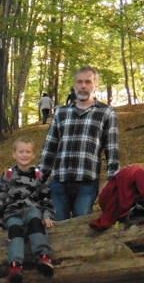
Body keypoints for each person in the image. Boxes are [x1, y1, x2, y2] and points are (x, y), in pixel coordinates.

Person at [39, 65, 120, 221]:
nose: (83, 86)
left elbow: (112, 149)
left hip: (87, 182)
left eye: (88, 82)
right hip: (59, 180)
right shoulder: (61, 112)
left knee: (81, 224)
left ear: (95, 85)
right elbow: (50, 148)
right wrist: (39, 177)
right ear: (75, 85)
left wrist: (113, 180)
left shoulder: (106, 112)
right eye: (80, 82)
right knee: (57, 226)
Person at [0, 137, 55, 283]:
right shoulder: (8, 174)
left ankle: (44, 257)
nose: (24, 155)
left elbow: (45, 196)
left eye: (28, 152)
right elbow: (1, 197)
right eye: (21, 152)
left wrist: (47, 214)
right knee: (15, 231)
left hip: (32, 209)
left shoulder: (38, 174)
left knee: (36, 223)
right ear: (14, 154)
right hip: (12, 212)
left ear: (33, 155)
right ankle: (16, 266)